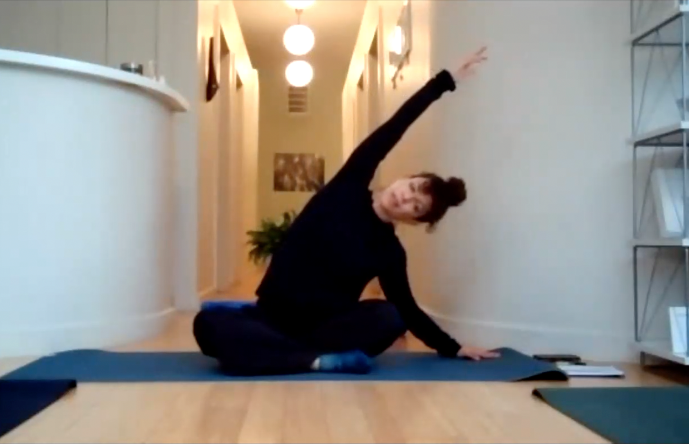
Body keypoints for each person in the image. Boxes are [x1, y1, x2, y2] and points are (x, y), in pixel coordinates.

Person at [194, 47, 500, 376]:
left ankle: (276, 357)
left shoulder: (390, 252)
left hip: (325, 331)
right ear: (404, 178)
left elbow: (408, 309)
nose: (406, 200)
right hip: (269, 318)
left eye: (416, 207)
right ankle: (312, 361)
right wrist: (445, 81)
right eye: (412, 189)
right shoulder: (348, 186)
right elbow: (395, 127)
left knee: (389, 317)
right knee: (207, 324)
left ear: (414, 220)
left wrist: (453, 347)